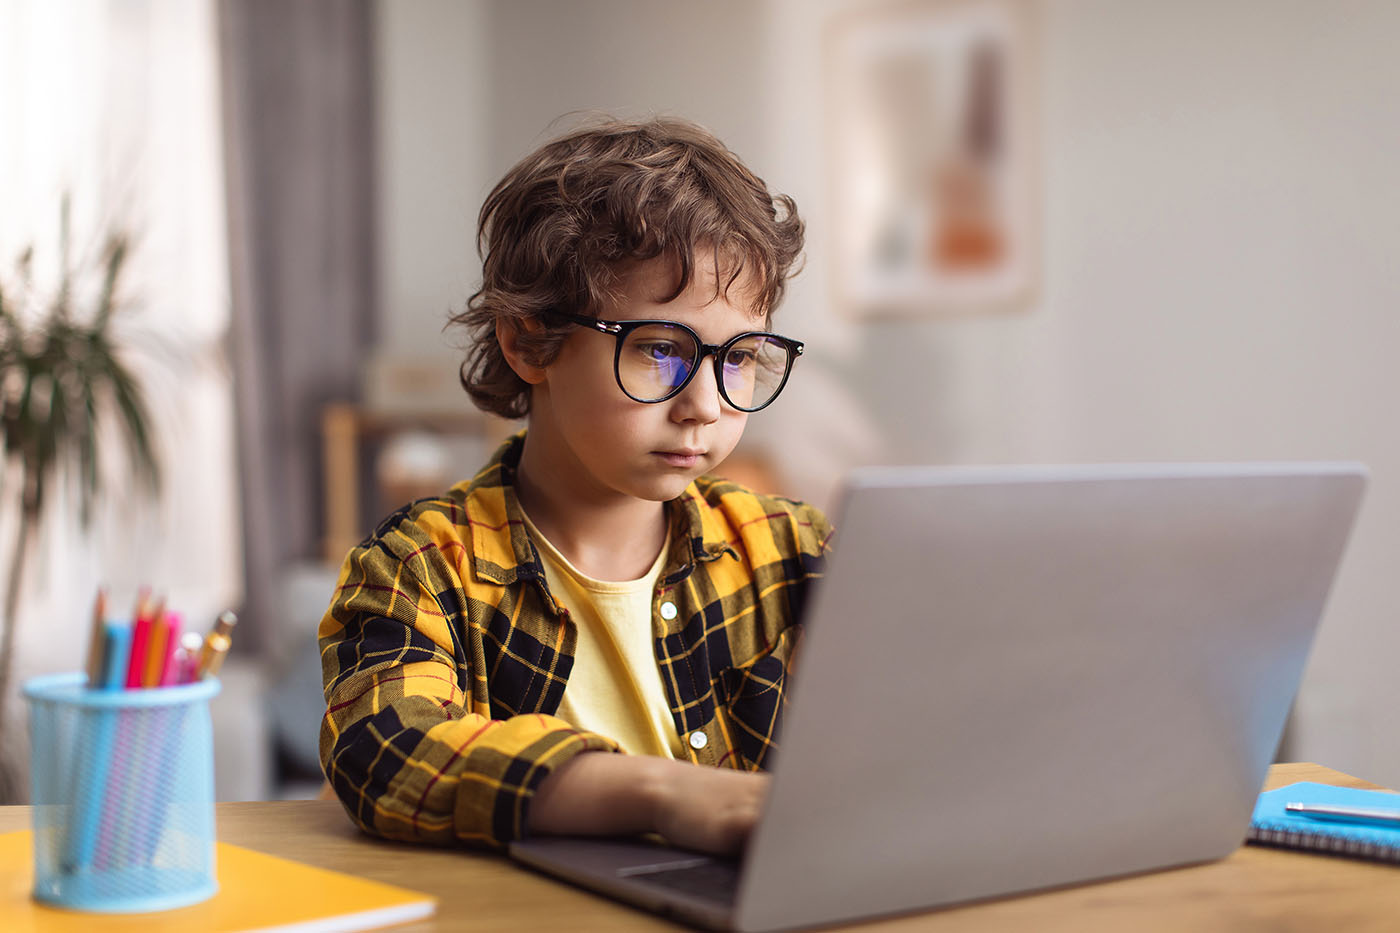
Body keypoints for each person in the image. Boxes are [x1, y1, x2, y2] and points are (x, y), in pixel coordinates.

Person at [318, 116, 832, 856]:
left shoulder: (794, 550)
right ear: (530, 341)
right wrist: (664, 791)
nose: (707, 406)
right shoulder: (422, 566)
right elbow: (383, 750)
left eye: (740, 357)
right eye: (662, 350)